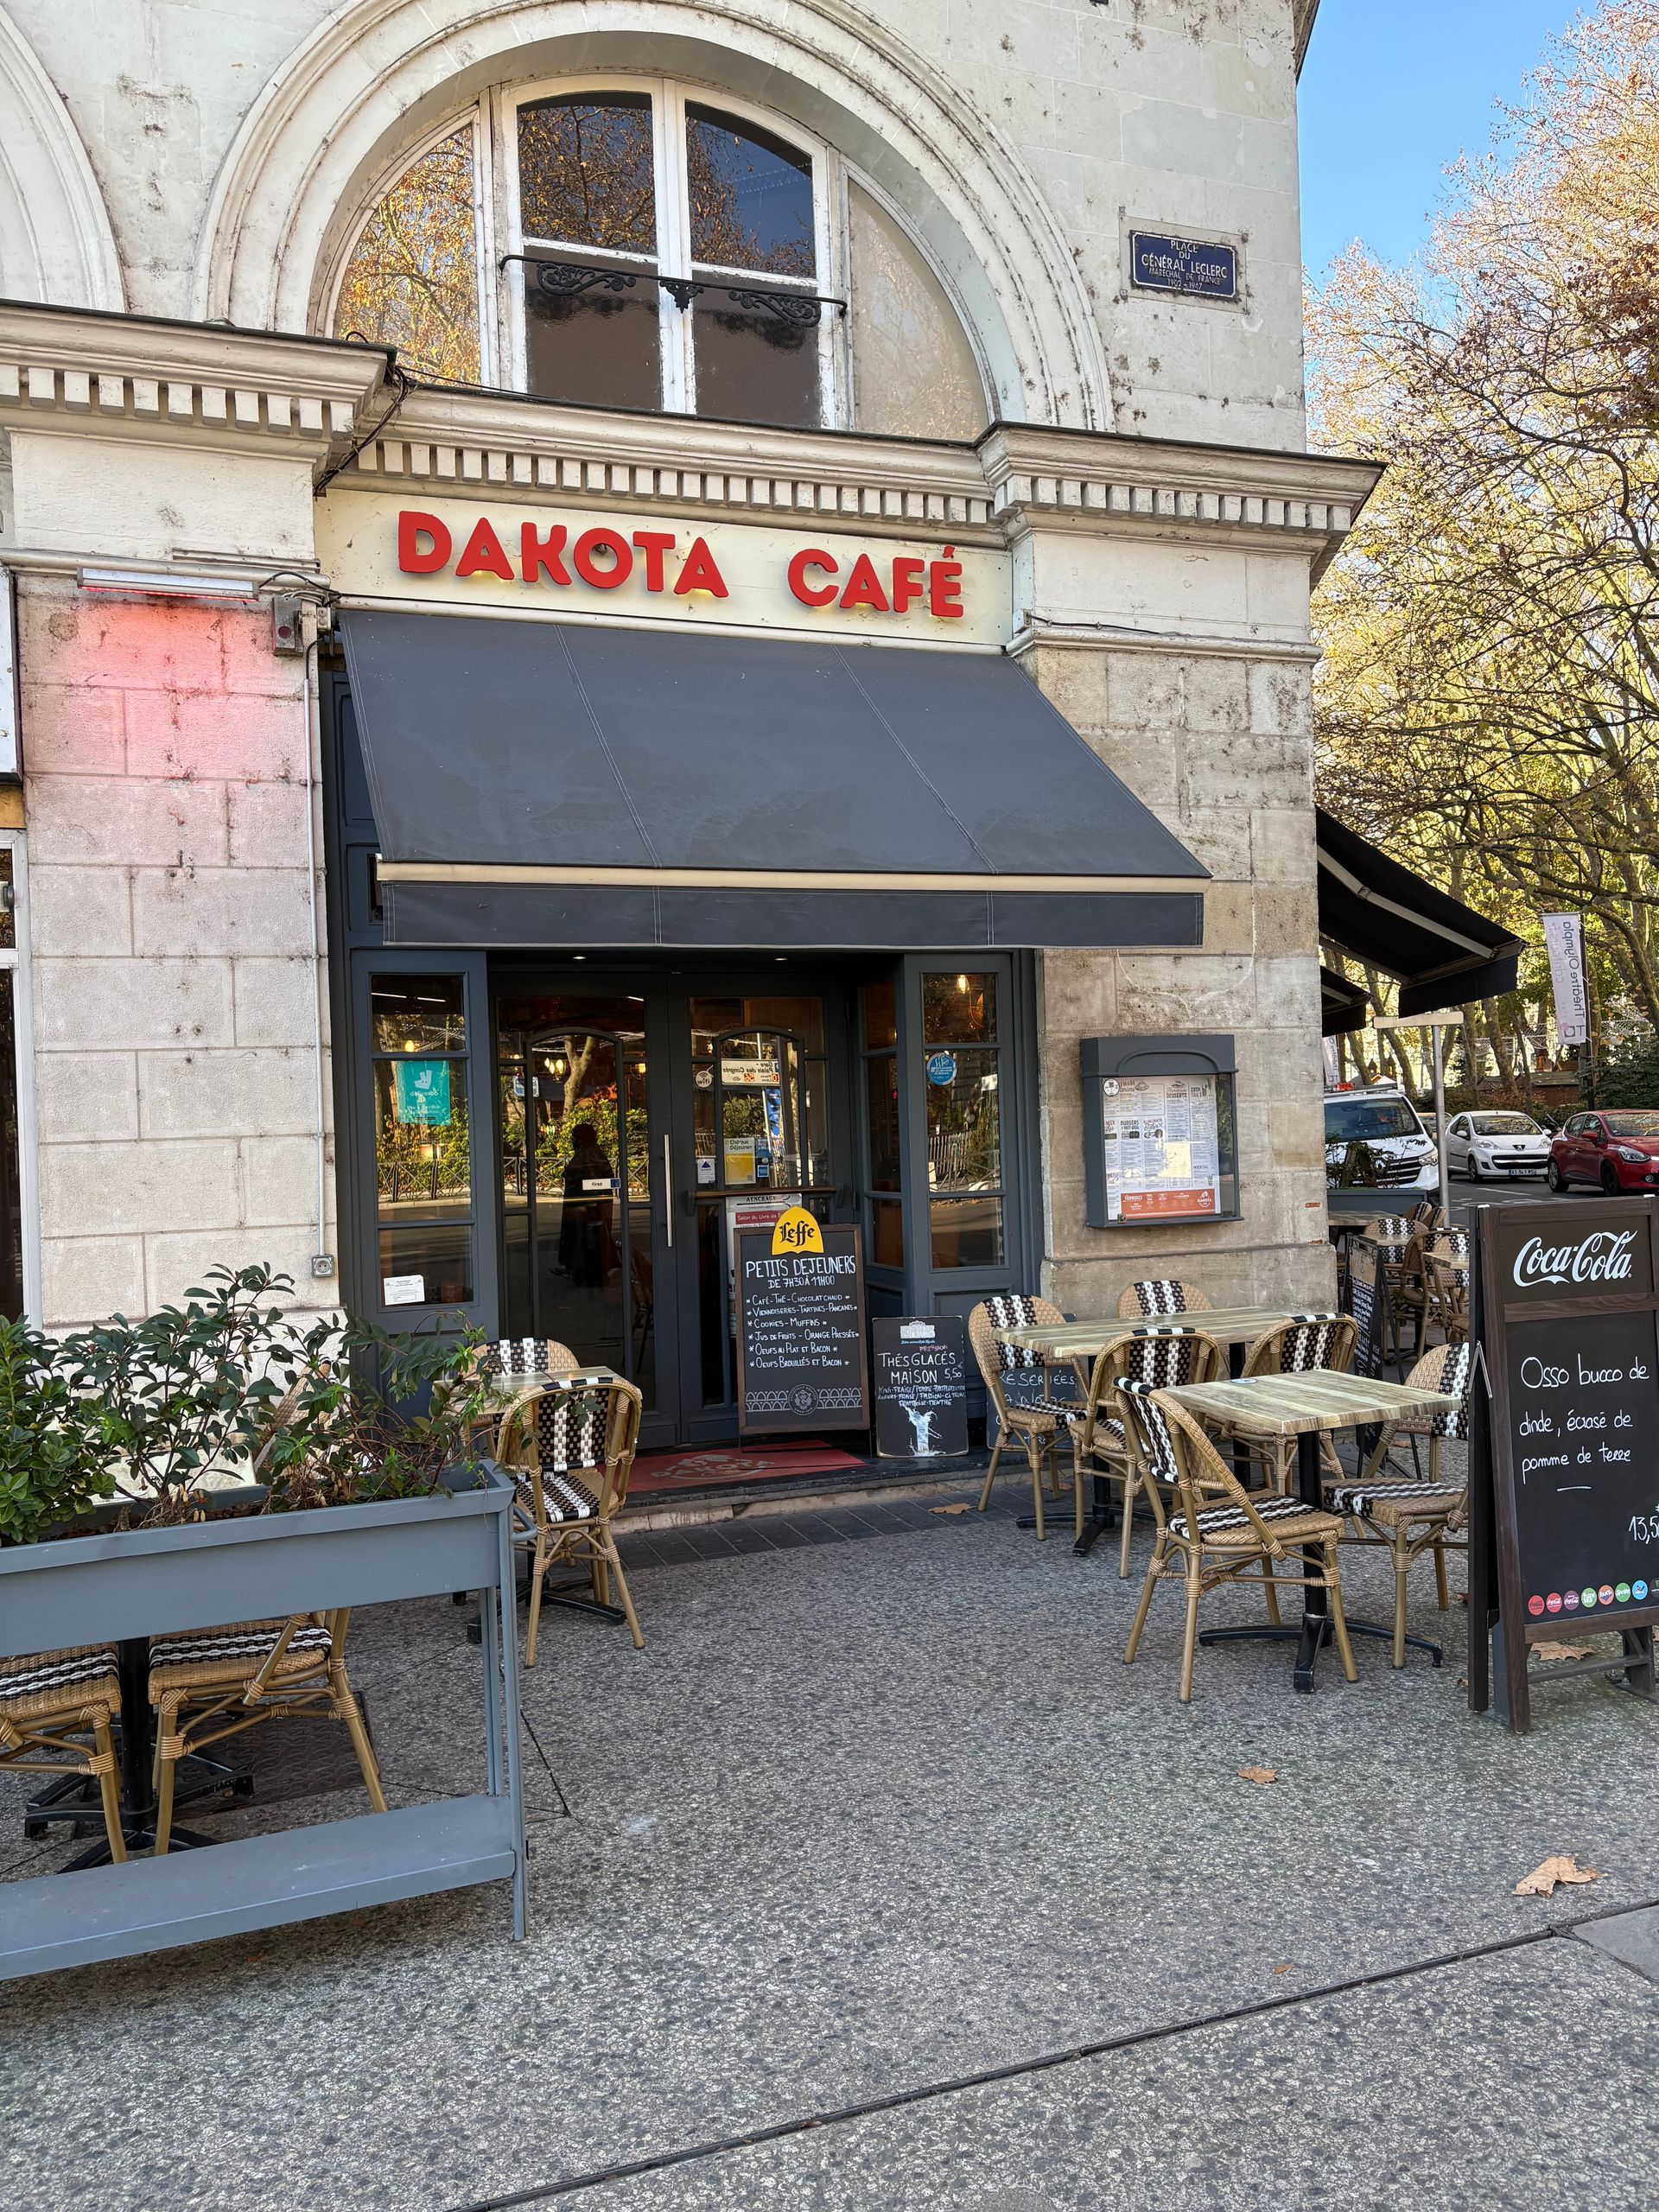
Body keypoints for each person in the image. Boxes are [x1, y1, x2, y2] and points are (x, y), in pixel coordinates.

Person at [559, 1121, 619, 1287]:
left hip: (586, 1206)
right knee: (590, 1241)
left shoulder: (588, 1153)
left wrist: (591, 1204)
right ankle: (590, 1274)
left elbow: (592, 1181)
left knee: (585, 1241)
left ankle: (586, 1275)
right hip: (589, 1204)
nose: (573, 1140)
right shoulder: (594, 1152)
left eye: (575, 1137)